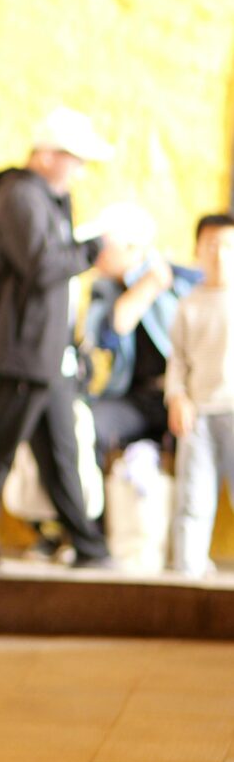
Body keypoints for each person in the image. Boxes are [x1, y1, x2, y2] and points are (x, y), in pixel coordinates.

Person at [0, 109, 114, 568]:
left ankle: (89, 548)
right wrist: (94, 249)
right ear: (47, 155)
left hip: (46, 357)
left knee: (60, 457)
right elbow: (41, 266)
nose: (80, 171)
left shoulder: (44, 199)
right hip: (22, 355)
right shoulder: (20, 195)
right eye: (74, 159)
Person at [82, 203, 185, 467]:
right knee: (86, 426)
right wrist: (147, 286)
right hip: (134, 399)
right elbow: (108, 334)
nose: (97, 254)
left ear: (132, 248)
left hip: (181, 396)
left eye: (105, 246)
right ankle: (92, 509)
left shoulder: (181, 280)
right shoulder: (103, 290)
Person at [168, 211, 234, 578]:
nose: (220, 254)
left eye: (227, 246)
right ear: (197, 249)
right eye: (211, 245)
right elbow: (176, 360)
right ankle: (187, 578)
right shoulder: (188, 304)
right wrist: (177, 396)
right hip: (200, 416)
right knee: (193, 500)